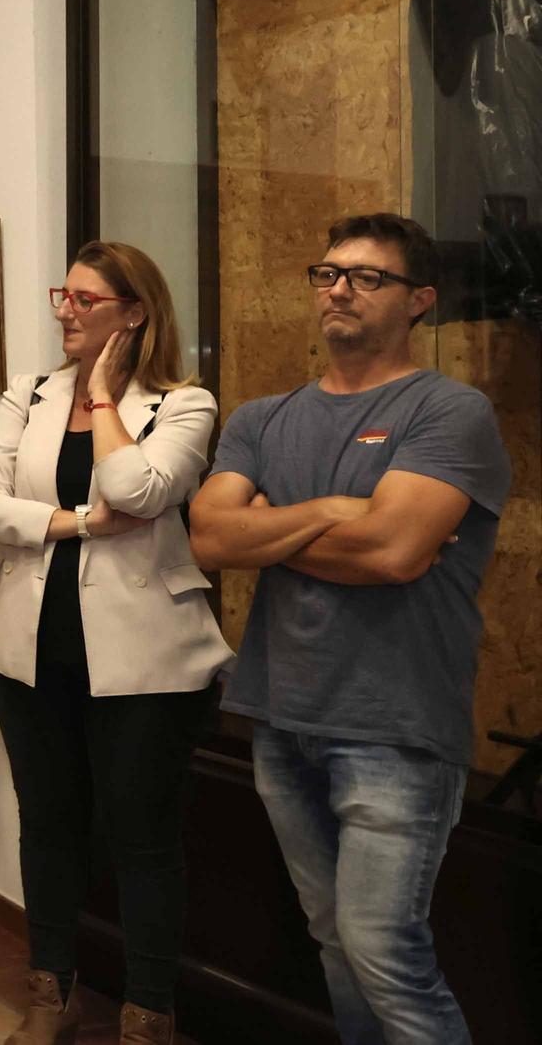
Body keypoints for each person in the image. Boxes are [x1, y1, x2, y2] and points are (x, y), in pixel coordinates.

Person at [190, 213, 509, 1045]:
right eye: (327, 272)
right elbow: (212, 539)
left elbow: (395, 550)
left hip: (394, 728)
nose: (338, 288)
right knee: (336, 944)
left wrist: (279, 529)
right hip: (282, 718)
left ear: (420, 302)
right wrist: (336, 511)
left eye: (367, 277)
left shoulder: (449, 411)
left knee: (385, 953)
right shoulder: (264, 417)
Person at [0, 241, 230, 1045]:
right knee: (46, 819)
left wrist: (108, 399)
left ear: (135, 312)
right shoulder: (28, 394)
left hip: (147, 659)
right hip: (27, 643)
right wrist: (75, 524)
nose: (64, 312)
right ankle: (51, 993)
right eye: (63, 296)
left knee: (141, 835)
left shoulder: (185, 404)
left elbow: (140, 490)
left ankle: (148, 1014)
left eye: (85, 301)